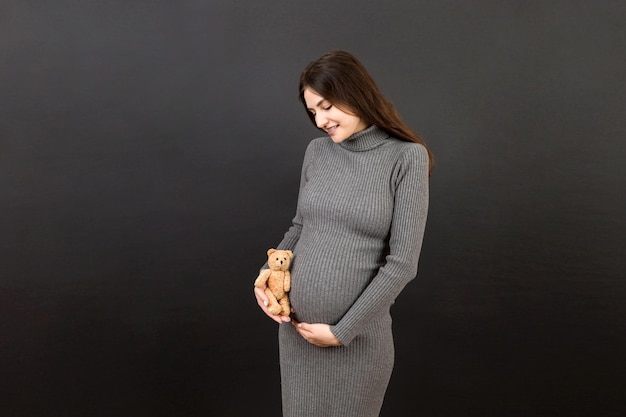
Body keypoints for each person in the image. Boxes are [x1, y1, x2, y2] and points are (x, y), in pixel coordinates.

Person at [253, 50, 433, 417]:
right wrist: (266, 274)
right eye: (312, 112)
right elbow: (301, 226)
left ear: (355, 93)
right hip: (298, 336)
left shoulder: (405, 158)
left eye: (325, 106)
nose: (319, 121)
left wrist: (342, 330)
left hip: (357, 342)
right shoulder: (317, 152)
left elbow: (402, 264)